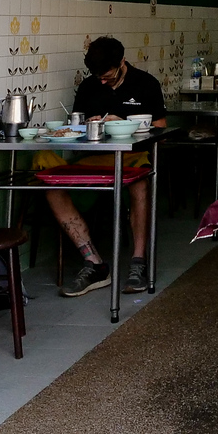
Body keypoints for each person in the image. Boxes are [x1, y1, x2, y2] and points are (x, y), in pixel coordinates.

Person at [39, 36, 164, 297]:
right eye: (98, 77)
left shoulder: (145, 84)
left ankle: (138, 262)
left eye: (108, 75)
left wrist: (124, 122)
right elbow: (76, 130)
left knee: (140, 183)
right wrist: (88, 126)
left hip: (132, 158)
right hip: (96, 158)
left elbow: (161, 128)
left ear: (122, 62)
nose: (103, 81)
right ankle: (93, 262)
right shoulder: (88, 87)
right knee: (50, 182)